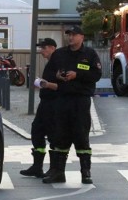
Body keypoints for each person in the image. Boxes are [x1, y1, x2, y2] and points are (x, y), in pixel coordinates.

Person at [43, 25, 102, 185]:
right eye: (69, 35)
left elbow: (96, 74)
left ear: (82, 37)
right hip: (63, 99)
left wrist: (78, 74)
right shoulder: (60, 54)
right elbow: (48, 74)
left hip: (80, 100)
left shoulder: (89, 54)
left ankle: (86, 172)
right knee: (60, 135)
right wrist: (56, 77)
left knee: (81, 135)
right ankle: (58, 172)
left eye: (74, 35)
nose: (70, 38)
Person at [20, 38, 59, 178]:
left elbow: (62, 85)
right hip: (45, 102)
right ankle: (37, 166)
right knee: (37, 130)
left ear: (52, 48)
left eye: (44, 48)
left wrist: (45, 84)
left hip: (54, 103)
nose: (41, 51)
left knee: (53, 135)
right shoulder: (51, 62)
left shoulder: (59, 62)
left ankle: (55, 169)